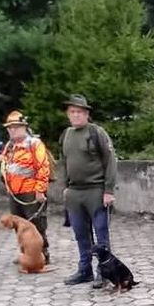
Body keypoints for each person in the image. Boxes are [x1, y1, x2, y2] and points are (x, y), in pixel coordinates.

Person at [60, 94, 118, 287]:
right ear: (68, 114)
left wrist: (109, 190)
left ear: (86, 114)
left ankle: (105, 271)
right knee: (80, 233)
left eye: (79, 111)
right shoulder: (66, 135)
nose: (76, 115)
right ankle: (85, 270)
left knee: (101, 233)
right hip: (74, 192)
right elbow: (64, 163)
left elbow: (110, 161)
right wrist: (65, 188)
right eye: (72, 112)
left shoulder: (96, 132)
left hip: (95, 190)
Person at [0, 110, 52, 264]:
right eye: (10, 127)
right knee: (19, 225)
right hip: (14, 192)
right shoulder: (10, 146)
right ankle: (26, 252)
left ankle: (42, 253)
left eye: (16, 127)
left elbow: (43, 167)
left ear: (24, 127)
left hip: (30, 191)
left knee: (36, 224)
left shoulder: (34, 144)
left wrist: (40, 190)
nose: (12, 130)